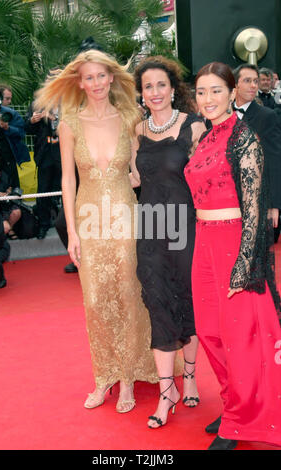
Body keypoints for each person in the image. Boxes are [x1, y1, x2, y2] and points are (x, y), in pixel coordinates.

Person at [34, 50, 158, 412]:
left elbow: (138, 170)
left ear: (112, 77)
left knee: (127, 294)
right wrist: (72, 233)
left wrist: (143, 174)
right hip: (88, 219)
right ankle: (104, 374)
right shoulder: (69, 122)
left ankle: (129, 378)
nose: (97, 83)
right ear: (79, 82)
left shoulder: (129, 117)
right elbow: (67, 179)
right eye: (89, 77)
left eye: (101, 76)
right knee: (94, 301)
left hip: (125, 217)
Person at [184, 61, 281, 450]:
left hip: (234, 244)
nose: (208, 99)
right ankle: (232, 402)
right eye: (202, 92)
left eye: (216, 91)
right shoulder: (204, 137)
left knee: (241, 338)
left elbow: (255, 206)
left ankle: (242, 420)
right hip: (204, 242)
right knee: (210, 332)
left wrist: (245, 263)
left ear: (231, 93)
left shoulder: (244, 137)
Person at [131, 56, 206, 428]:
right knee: (157, 304)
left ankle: (189, 376)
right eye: (148, 87)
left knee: (187, 303)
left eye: (161, 85)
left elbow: (209, 179)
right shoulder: (137, 130)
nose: (155, 92)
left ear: (173, 88)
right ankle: (166, 393)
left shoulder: (193, 127)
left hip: (185, 229)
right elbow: (131, 177)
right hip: (149, 229)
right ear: (141, 93)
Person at [233, 64, 281, 243]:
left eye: (255, 81)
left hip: (257, 199)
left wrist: (273, 205)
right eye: (247, 81)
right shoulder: (221, 113)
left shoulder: (267, 116)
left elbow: (274, 162)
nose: (253, 85)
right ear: (235, 85)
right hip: (226, 200)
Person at [25, 104, 61, 239]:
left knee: (66, 188)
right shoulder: (37, 104)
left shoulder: (69, 101)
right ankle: (43, 224)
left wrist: (53, 117)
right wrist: (32, 121)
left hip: (64, 151)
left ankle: (71, 223)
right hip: (44, 153)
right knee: (43, 191)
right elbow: (27, 128)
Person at [0, 80, 30, 188]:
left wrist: (7, 127)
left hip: (6, 155)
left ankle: (15, 205)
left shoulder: (9, 113)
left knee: (13, 186)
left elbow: (21, 133)